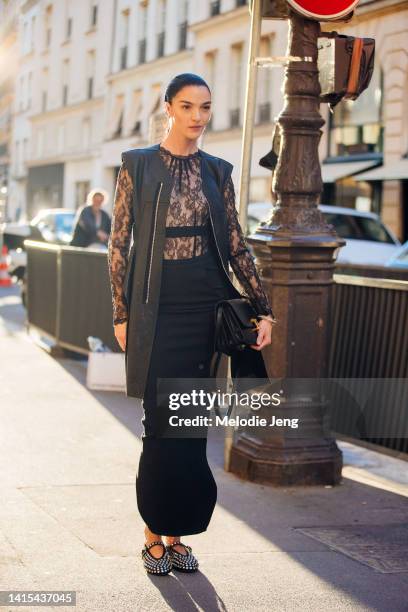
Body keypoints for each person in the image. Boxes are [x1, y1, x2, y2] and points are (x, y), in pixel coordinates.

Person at [107, 73, 277, 576]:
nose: (198, 117)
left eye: (205, 107)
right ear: (168, 109)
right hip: (156, 308)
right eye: (187, 107)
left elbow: (236, 242)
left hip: (206, 306)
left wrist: (262, 306)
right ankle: (151, 532)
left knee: (191, 424)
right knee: (161, 424)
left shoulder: (217, 171)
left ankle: (176, 535)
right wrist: (120, 313)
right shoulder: (137, 165)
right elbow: (119, 245)